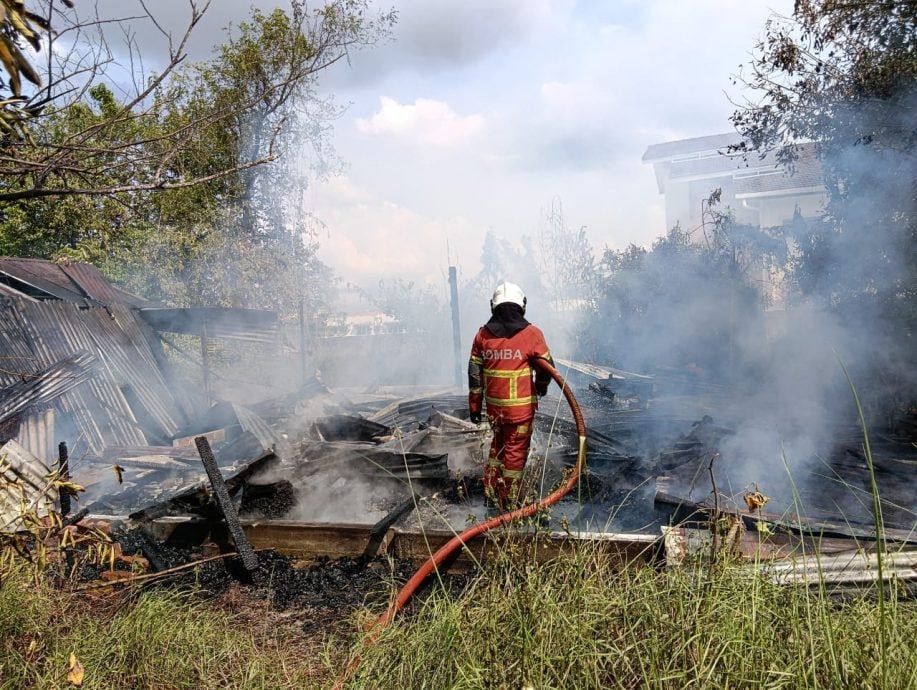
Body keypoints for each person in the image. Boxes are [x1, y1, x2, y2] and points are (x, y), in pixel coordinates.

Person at [468, 282, 554, 508]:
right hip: (521, 412)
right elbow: (548, 367)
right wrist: (542, 387)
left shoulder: (482, 335)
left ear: (493, 307)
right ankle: (509, 500)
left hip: (495, 411)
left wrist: (474, 408)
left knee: (498, 447)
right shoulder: (532, 334)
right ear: (522, 306)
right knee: (515, 453)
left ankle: (490, 489)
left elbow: (474, 375)